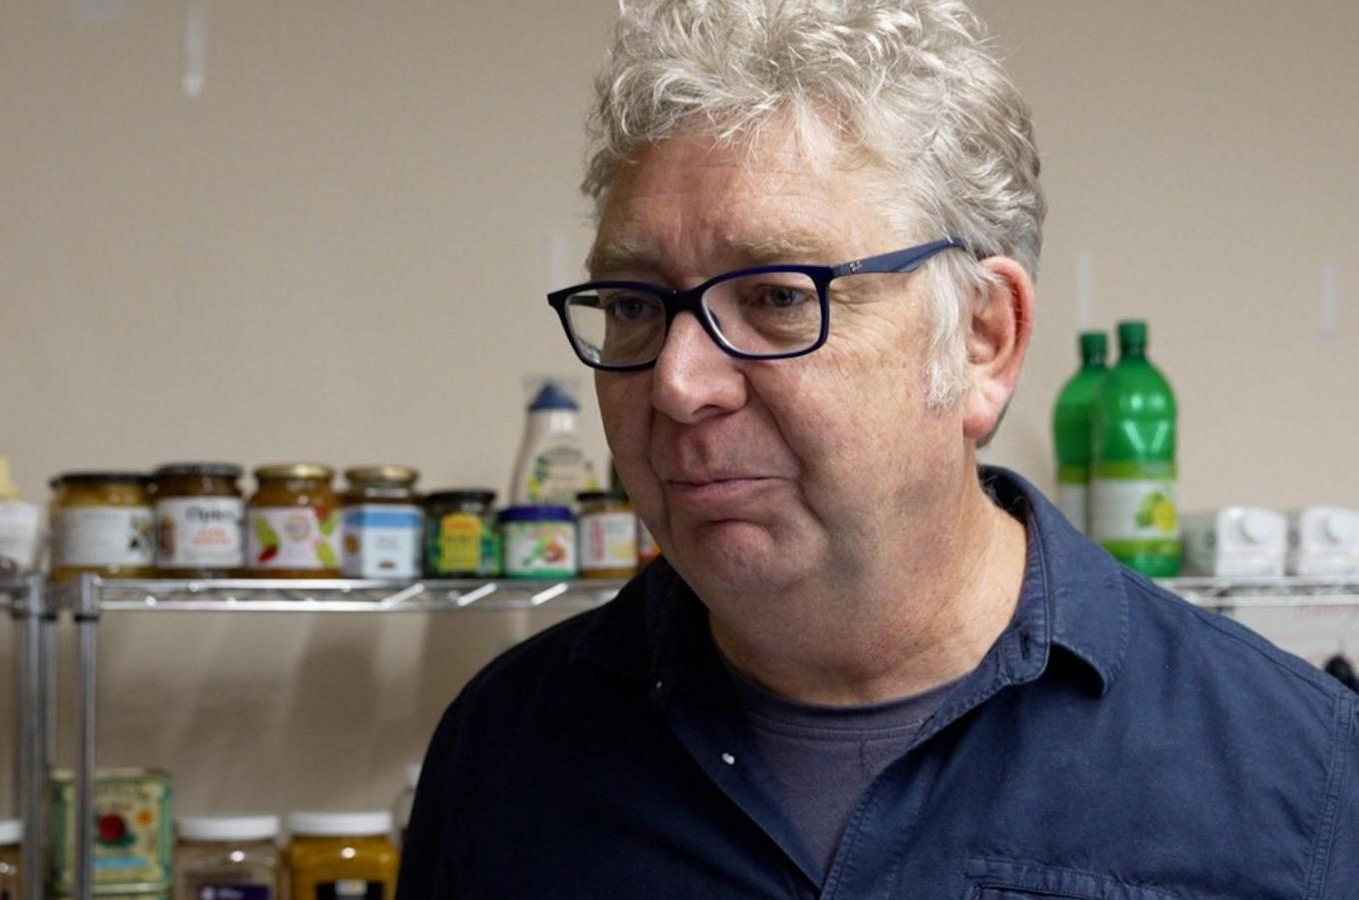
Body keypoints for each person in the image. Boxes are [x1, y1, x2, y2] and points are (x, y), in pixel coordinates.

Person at [398, 1, 1359, 896]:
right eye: (635, 306)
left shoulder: (1303, 777)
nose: (678, 384)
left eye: (777, 297)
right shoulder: (504, 751)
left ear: (982, 340)